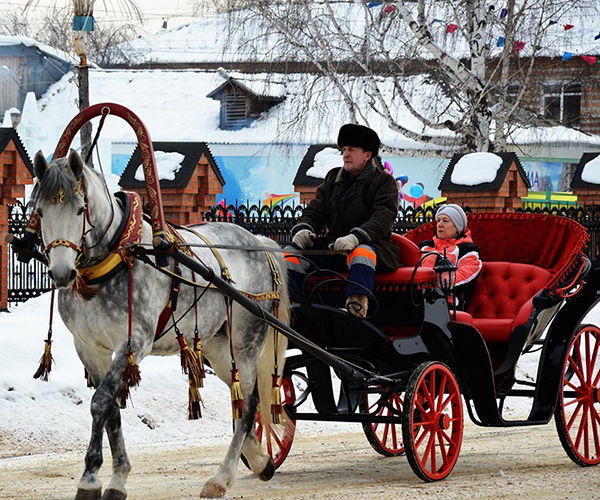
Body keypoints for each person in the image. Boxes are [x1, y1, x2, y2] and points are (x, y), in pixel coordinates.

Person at [286, 124, 399, 317]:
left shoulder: (384, 182)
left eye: (351, 150)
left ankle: (356, 310)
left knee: (362, 253)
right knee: (290, 254)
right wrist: (303, 229)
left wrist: (356, 238)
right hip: (334, 248)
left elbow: (383, 218)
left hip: (374, 248)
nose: (345, 154)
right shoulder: (332, 178)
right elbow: (316, 211)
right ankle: (293, 311)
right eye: (344, 149)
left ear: (367, 155)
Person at [419, 204, 482, 310]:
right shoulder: (425, 246)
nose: (440, 225)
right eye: (438, 220)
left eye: (445, 221)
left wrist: (432, 285)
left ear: (457, 228)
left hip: (448, 303)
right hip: (419, 298)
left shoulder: (467, 249)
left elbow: (465, 274)